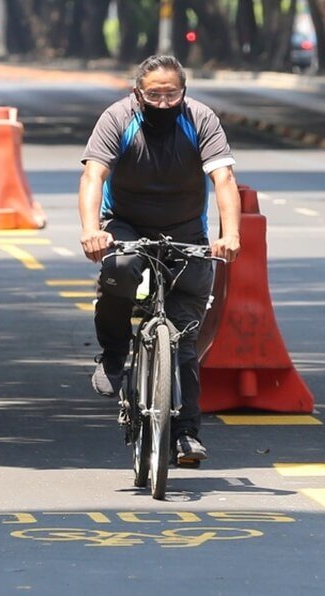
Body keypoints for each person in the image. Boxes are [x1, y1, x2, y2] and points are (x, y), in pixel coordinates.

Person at [78, 55, 241, 463]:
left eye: (172, 94)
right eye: (155, 94)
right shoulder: (117, 118)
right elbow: (93, 175)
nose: (164, 102)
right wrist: (91, 230)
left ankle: (185, 434)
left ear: (183, 92)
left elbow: (223, 179)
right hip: (126, 223)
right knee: (118, 270)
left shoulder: (201, 119)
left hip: (185, 229)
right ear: (138, 93)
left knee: (184, 339)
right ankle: (114, 355)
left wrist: (230, 234)